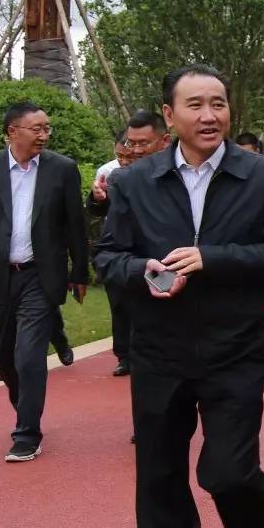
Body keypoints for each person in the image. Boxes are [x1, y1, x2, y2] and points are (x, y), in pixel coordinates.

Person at [94, 65, 264, 528]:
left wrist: (210, 259)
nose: (209, 115)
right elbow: (107, 257)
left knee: (228, 473)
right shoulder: (135, 184)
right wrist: (143, 273)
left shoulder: (261, 175)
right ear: (168, 116)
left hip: (234, 349)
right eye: (195, 105)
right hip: (158, 352)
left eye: (218, 103)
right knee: (159, 484)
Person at [0, 102, 89, 463]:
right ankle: (27, 401)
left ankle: (26, 432)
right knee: (4, 357)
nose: (43, 135)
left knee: (28, 356)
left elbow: (75, 225)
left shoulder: (62, 170)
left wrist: (79, 272)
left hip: (40, 275)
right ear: (12, 131)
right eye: (36, 128)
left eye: (47, 128)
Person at [89, 112, 170, 378]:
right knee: (121, 308)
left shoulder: (177, 174)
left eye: (142, 143)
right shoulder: (118, 177)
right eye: (130, 144)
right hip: (126, 261)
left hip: (165, 262)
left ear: (164, 141)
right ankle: (125, 355)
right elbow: (102, 213)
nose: (134, 150)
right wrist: (99, 200)